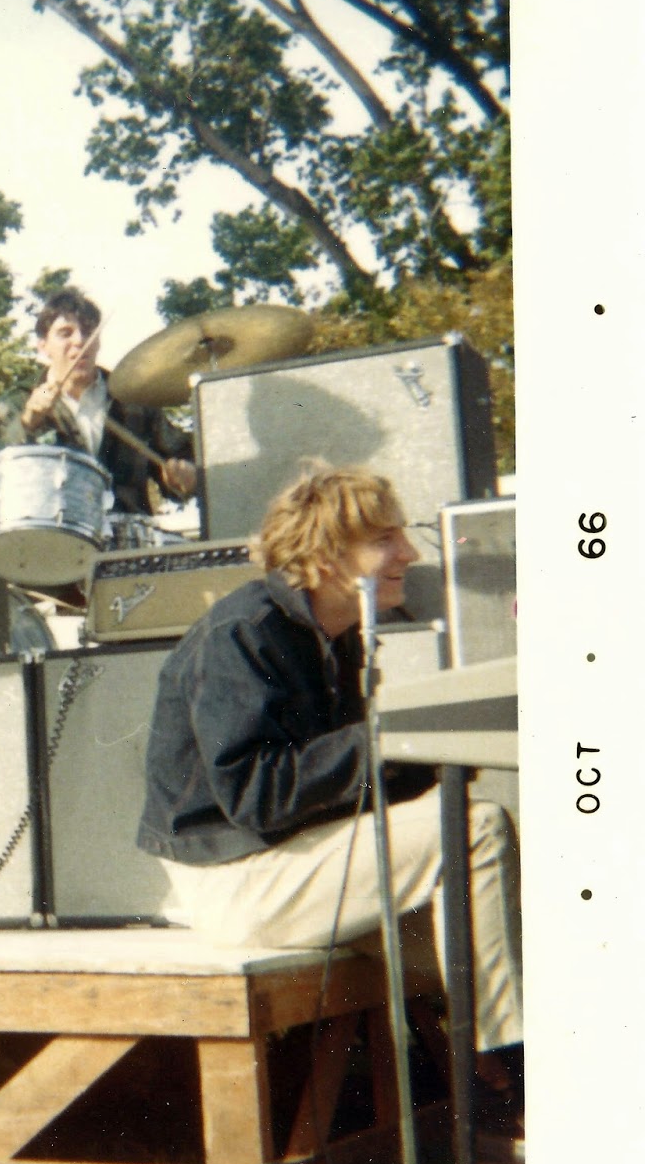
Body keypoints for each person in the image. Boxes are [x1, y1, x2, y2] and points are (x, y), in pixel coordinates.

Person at [137, 464, 523, 1111]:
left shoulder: (330, 638)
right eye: (386, 539)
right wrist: (388, 741)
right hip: (238, 880)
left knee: (512, 911)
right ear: (325, 554)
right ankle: (517, 1072)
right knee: (475, 827)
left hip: (291, 864)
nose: (410, 553)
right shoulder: (244, 635)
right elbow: (256, 795)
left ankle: (493, 1083)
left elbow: (347, 780)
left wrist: (434, 753)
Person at [0, 287, 196, 516]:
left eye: (87, 332)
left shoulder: (132, 399)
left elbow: (182, 458)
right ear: (43, 346)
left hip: (126, 531)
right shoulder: (16, 402)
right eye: (65, 333)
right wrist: (28, 421)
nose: (79, 340)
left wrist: (186, 476)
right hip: (52, 532)